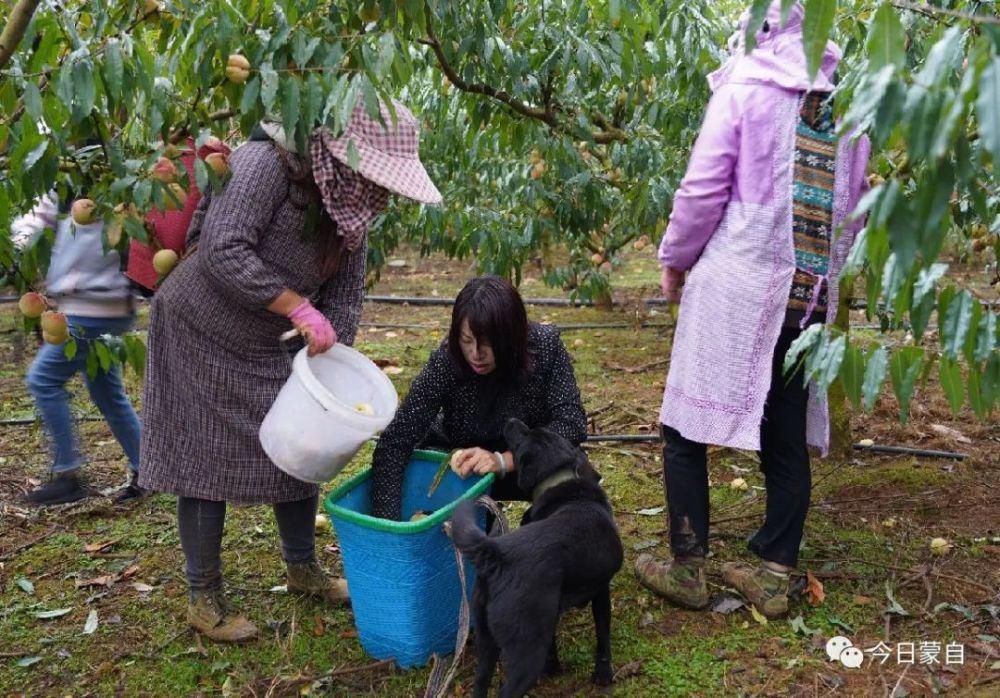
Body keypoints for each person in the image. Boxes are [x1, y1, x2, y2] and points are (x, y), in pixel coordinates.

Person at [137, 100, 442, 642]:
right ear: (340, 153)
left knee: (306, 445)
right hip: (199, 328)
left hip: (267, 344)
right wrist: (298, 307)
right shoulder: (267, 162)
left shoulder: (348, 206)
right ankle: (203, 596)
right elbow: (224, 249)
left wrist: (335, 353)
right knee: (206, 459)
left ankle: (303, 569)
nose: (377, 189)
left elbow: (347, 292)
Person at [634, 1, 870, 619]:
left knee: (684, 426)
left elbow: (704, 187)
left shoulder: (747, 86)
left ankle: (688, 566)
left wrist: (675, 257)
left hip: (739, 285)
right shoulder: (848, 108)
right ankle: (774, 572)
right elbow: (858, 210)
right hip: (809, 295)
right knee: (783, 430)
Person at [370, 275, 588, 521]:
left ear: (512, 337)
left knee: (568, 483)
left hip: (528, 462)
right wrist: (389, 528)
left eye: (488, 343)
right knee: (423, 472)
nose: (476, 353)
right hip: (465, 469)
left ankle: (542, 532)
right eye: (466, 340)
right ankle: (482, 523)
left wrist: (505, 460)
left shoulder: (545, 347)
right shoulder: (448, 361)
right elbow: (396, 440)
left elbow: (571, 424)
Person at [13, 194, 144, 505]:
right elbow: (39, 215)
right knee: (107, 393)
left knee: (43, 380)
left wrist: (19, 240)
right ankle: (148, 469)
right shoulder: (83, 177)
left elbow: (39, 215)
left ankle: (66, 473)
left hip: (93, 307)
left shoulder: (99, 181)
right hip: (100, 304)